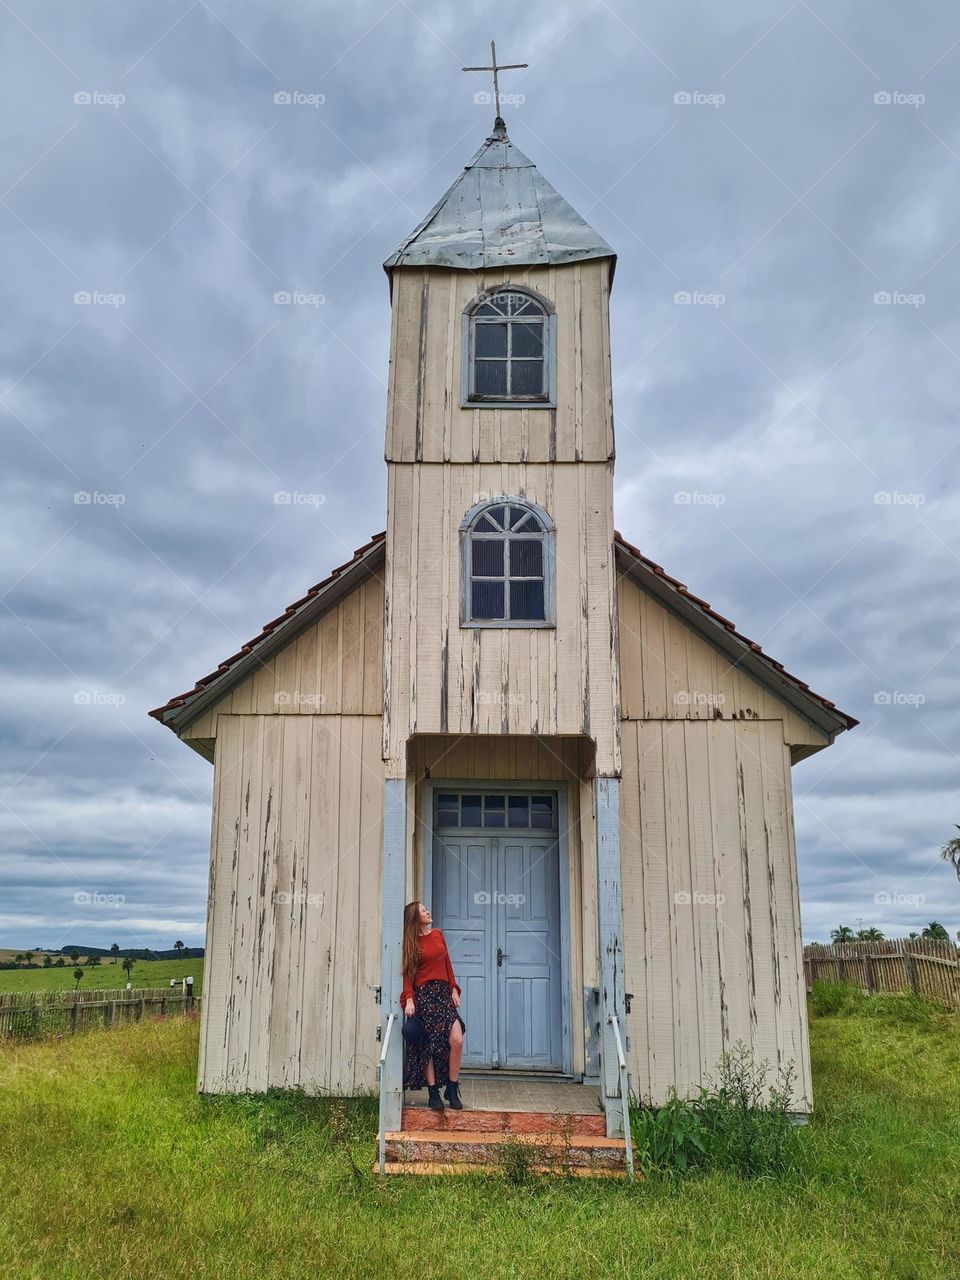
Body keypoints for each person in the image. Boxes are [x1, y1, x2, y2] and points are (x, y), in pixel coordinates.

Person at [400, 901, 465, 1110]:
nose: (427, 911)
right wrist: (409, 998)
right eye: (422, 911)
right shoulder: (411, 943)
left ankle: (452, 1088)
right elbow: (408, 975)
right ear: (415, 918)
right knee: (427, 1046)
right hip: (424, 997)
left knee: (456, 1040)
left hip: (443, 994)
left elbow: (447, 964)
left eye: (426, 908)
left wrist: (454, 988)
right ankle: (433, 1091)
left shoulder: (438, 934)